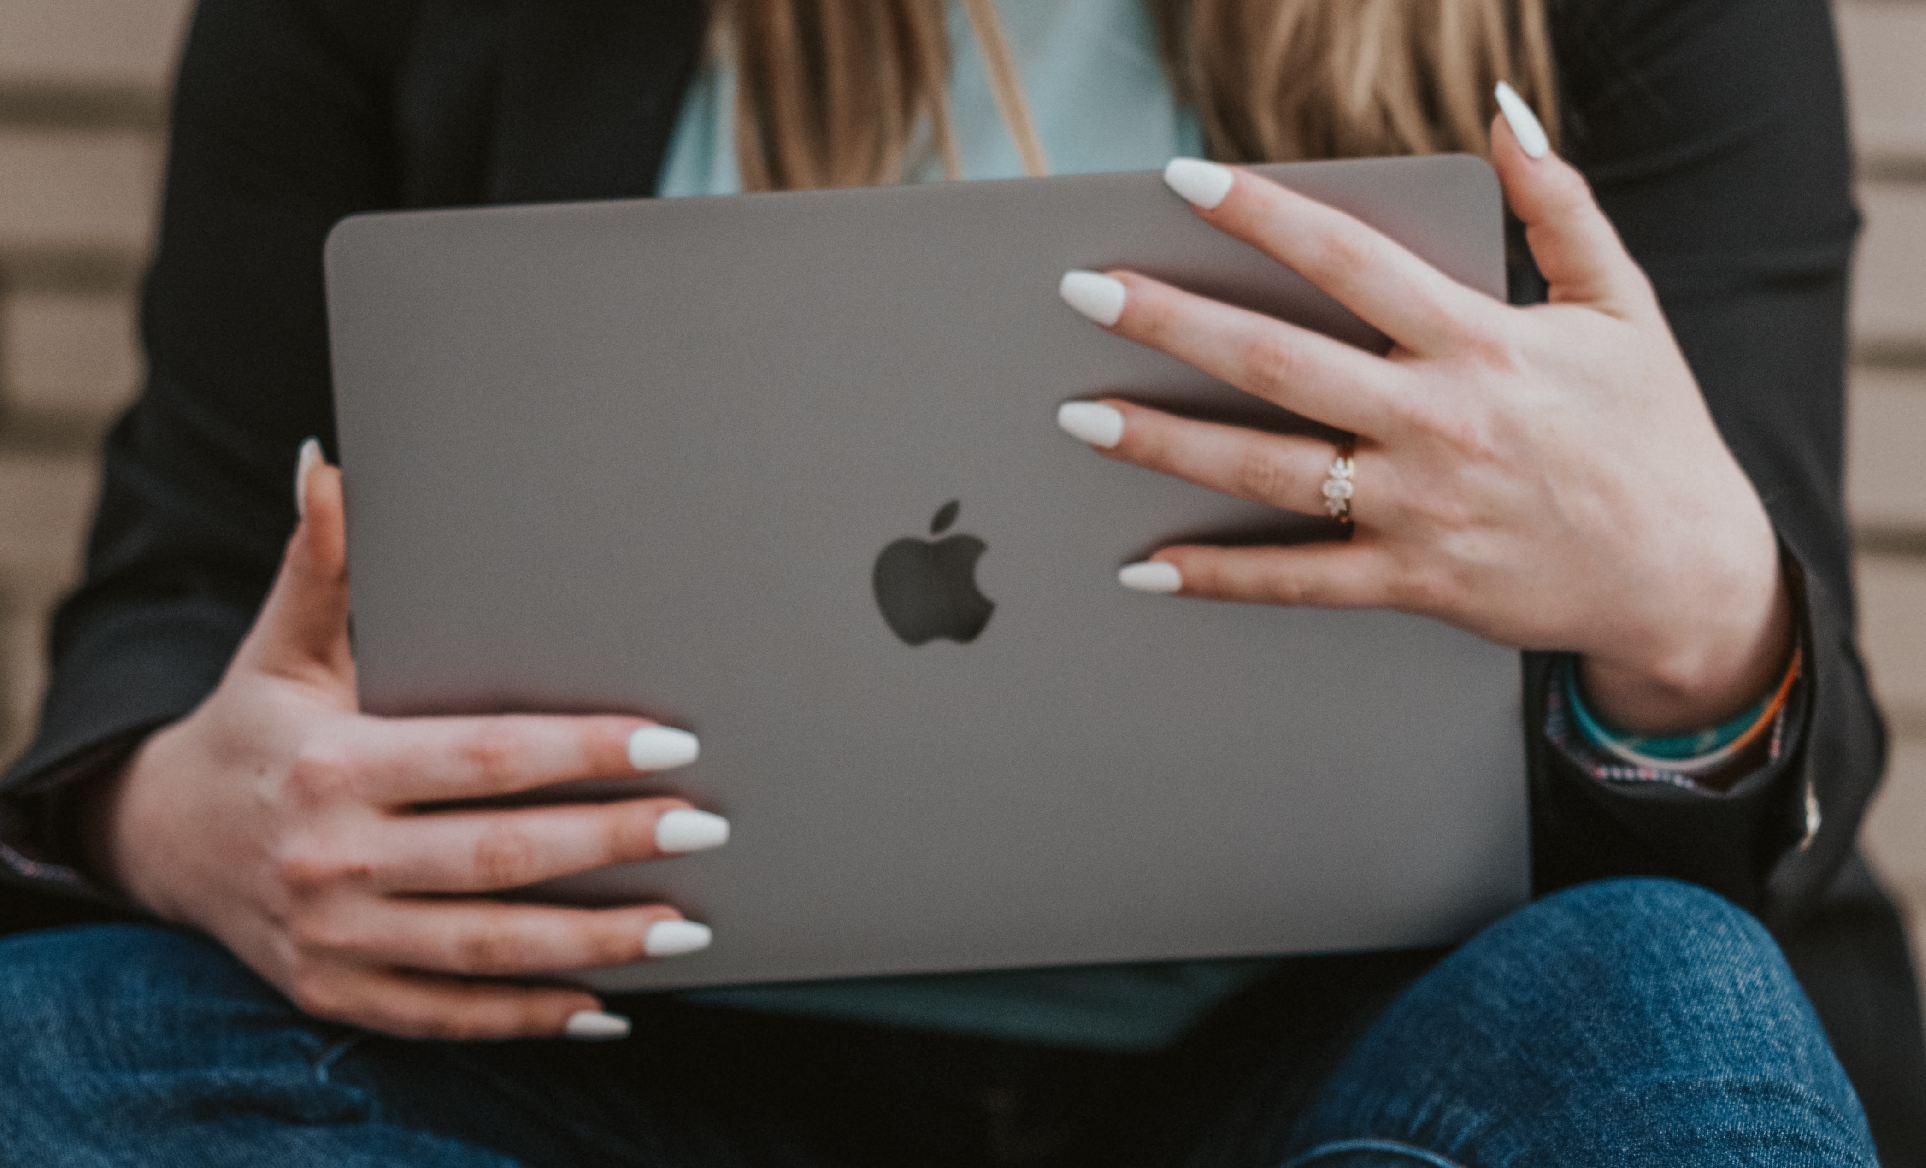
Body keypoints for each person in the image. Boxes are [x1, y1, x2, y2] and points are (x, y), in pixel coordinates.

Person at [0, 0, 1915, 1163]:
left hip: (1346, 1058)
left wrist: (1688, 611)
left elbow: (1759, 772)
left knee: (1669, 1009)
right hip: (640, 1073)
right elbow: (181, 581)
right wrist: (190, 814)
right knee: (66, 1043)